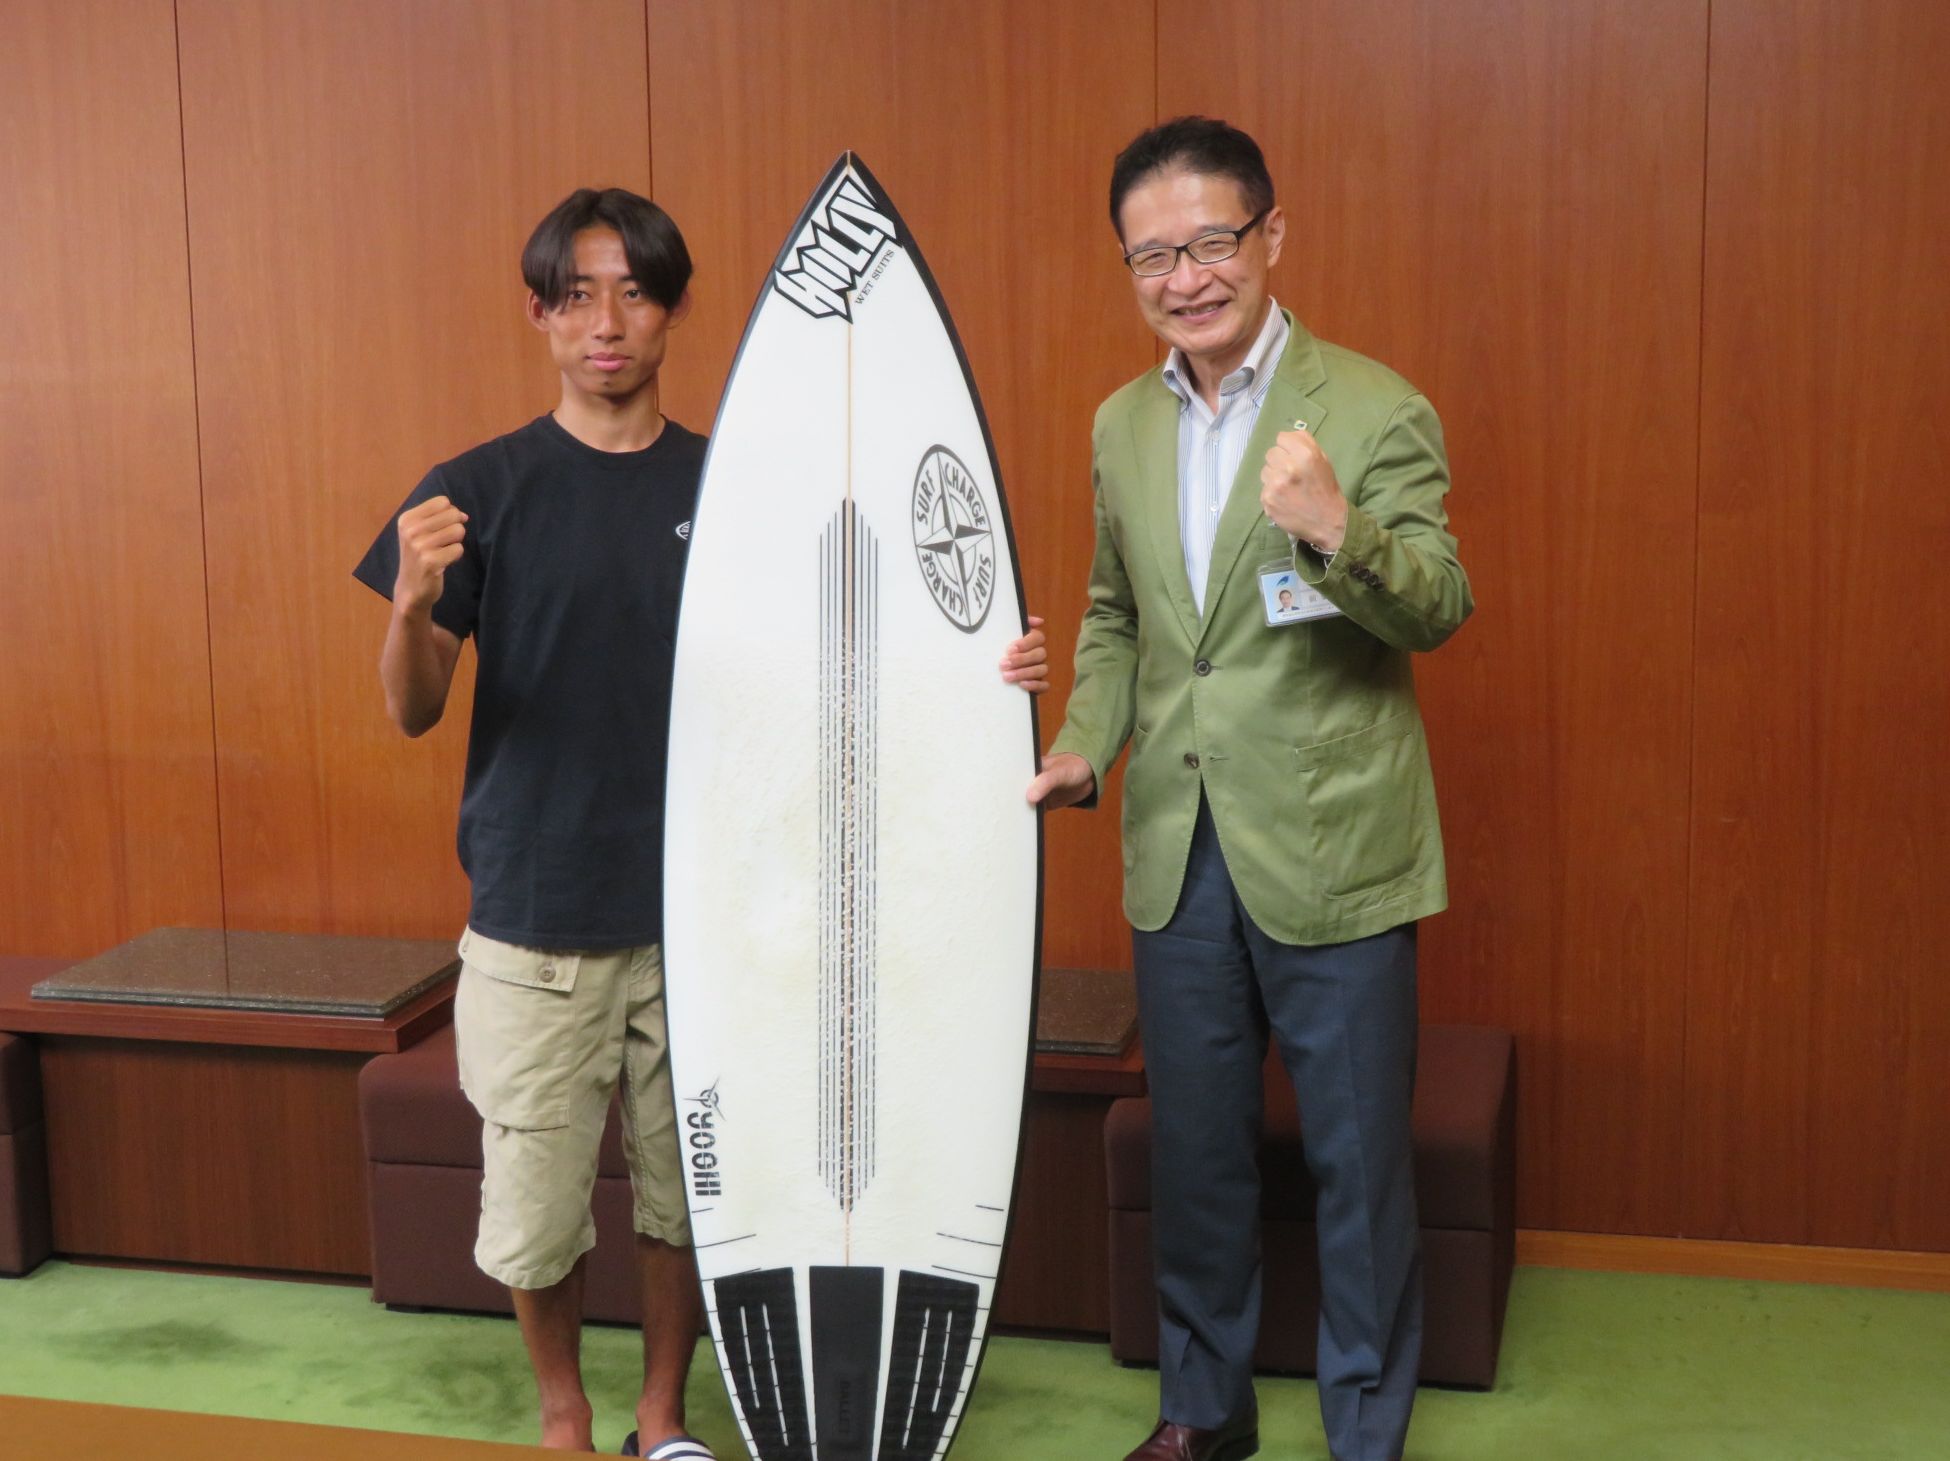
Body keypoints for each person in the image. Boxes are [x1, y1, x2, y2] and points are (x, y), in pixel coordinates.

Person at [355, 186, 1049, 1457]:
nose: (606, 324)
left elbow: (847, 657)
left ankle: (662, 1416)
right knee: (536, 1209)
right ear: (539, 314)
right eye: (577, 296)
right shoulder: (477, 489)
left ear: (672, 311)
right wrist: (409, 605)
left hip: (717, 921)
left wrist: (989, 670)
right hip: (535, 917)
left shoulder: (740, 492)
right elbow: (413, 710)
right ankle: (564, 1417)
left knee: (694, 1201)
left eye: (634, 294)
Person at [1026, 118, 1472, 1461]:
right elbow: (1118, 619)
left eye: (1211, 241)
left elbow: (1439, 606)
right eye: (1151, 255)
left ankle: (1362, 1435)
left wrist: (1337, 527)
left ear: (1271, 235)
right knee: (1199, 1161)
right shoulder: (1120, 424)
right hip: (1178, 848)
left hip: (1334, 846)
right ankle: (1202, 1415)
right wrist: (1082, 745)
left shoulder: (1373, 408)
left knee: (1356, 1166)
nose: (1186, 277)